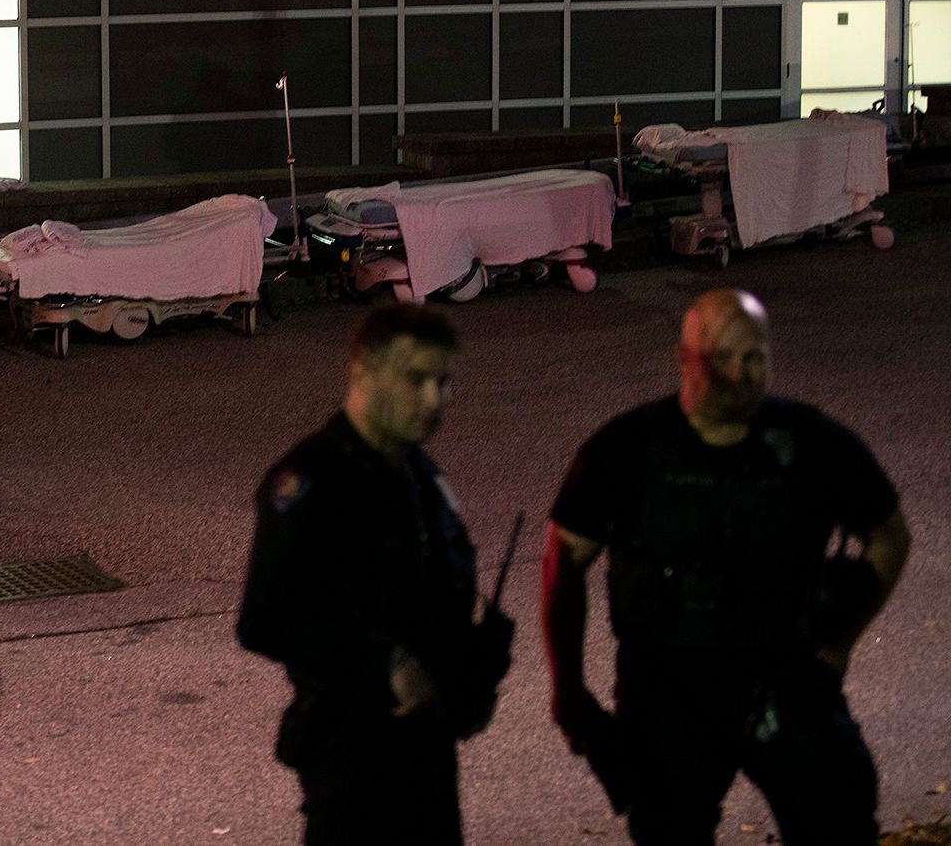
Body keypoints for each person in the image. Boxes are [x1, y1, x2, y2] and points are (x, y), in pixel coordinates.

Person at [541, 288, 911, 845]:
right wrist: (567, 686)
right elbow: (562, 562)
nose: (743, 374)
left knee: (839, 820)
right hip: (667, 687)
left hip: (785, 675)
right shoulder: (628, 450)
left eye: (756, 356)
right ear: (686, 360)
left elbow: (890, 538)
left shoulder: (809, 443)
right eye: (725, 358)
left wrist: (839, 645)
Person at [237, 304, 513, 845]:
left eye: (443, 381)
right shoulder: (312, 481)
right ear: (363, 368)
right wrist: (386, 663)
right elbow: (263, 621)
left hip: (428, 746)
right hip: (352, 755)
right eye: (416, 379)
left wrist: (470, 672)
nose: (433, 400)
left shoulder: (418, 473)